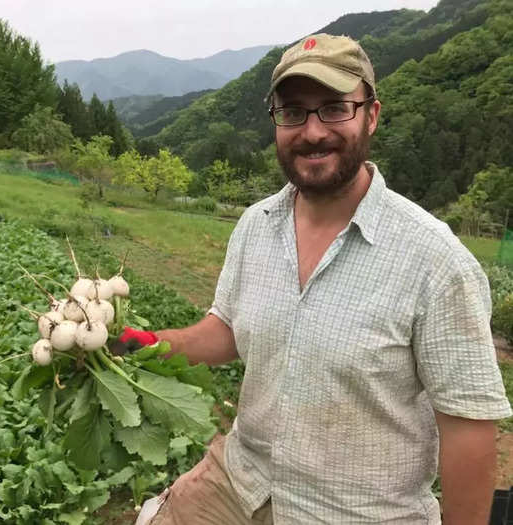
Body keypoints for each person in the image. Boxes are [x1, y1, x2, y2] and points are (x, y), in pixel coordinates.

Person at [122, 33, 512, 524]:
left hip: (353, 512)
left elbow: (469, 428)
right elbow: (226, 330)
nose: (311, 131)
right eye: (293, 112)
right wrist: (141, 344)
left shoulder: (435, 261)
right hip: (239, 482)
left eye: (333, 109)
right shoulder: (256, 225)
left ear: (371, 114)